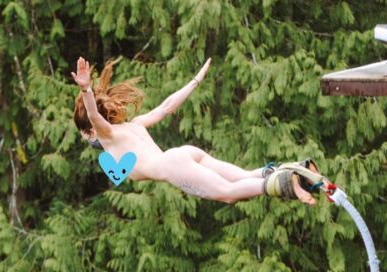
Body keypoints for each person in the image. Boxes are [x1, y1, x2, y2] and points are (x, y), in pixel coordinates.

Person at [71, 56, 321, 205]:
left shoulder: (109, 136)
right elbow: (166, 107)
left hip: (173, 165)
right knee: (244, 177)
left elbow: (93, 115)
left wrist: (86, 90)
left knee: (229, 194)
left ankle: (288, 184)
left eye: (85, 135)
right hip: (184, 154)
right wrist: (195, 81)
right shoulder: (133, 125)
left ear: (91, 131)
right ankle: (297, 169)